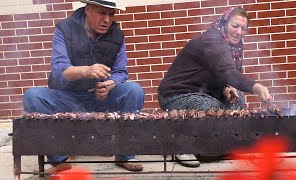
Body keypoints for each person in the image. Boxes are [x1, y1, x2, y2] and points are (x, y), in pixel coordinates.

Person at [23, 0, 145, 172]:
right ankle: (60, 161)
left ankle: (125, 155)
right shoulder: (64, 29)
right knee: (33, 95)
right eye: (102, 12)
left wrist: (109, 84)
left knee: (134, 90)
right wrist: (85, 71)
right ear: (88, 9)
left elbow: (121, 72)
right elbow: (59, 69)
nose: (107, 20)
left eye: (111, 14)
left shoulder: (117, 35)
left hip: (100, 98)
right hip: (67, 97)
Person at [158, 7, 272, 168]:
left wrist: (228, 85)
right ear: (224, 23)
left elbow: (223, 72)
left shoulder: (234, 45)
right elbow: (227, 70)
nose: (239, 32)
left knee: (237, 99)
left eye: (244, 28)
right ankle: (182, 146)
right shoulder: (212, 40)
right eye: (235, 26)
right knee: (209, 107)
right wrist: (256, 87)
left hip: (204, 92)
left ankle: (219, 146)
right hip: (176, 95)